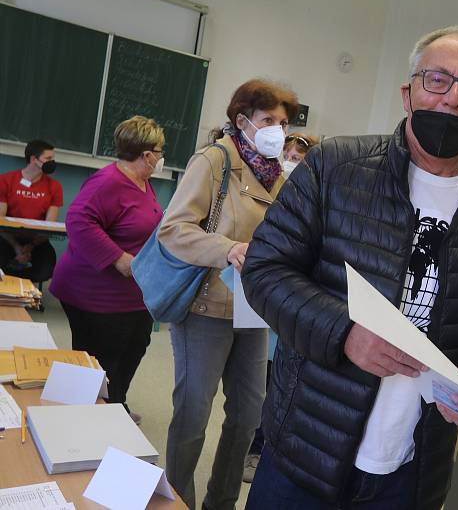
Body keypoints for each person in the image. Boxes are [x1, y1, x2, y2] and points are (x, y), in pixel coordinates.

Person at [242, 26, 458, 509]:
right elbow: (265, 268)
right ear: (408, 92)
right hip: (308, 444)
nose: (453, 98)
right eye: (437, 79)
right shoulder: (336, 166)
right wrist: (344, 332)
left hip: (413, 467)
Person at [160, 78, 298, 510]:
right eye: (268, 120)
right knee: (193, 415)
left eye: (284, 121)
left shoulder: (278, 175)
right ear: (242, 121)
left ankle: (220, 503)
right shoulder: (216, 160)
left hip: (254, 311)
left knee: (247, 416)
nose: (278, 128)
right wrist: (228, 249)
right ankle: (178, 500)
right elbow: (173, 229)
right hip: (206, 305)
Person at [49, 117, 165, 422]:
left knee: (135, 346)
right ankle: (92, 420)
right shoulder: (108, 181)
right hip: (94, 293)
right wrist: (119, 258)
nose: (161, 156)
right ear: (146, 154)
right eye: (159, 150)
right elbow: (78, 222)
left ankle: (115, 405)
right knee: (103, 358)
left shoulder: (143, 182)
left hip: (132, 294)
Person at [242, 129, 319, 484]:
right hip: (258, 306)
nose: (290, 162)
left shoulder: (315, 202)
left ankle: (261, 447)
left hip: (292, 311)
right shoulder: (263, 194)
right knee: (255, 381)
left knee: (280, 384)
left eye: (299, 159)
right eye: (286, 155)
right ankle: (249, 445)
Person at [0, 139, 63, 282]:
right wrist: (16, 246)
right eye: (48, 158)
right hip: (7, 238)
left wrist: (29, 247)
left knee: (46, 270)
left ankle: (17, 285)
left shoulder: (54, 187)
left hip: (37, 241)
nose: (52, 162)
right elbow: (0, 221)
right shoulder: (5, 180)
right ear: (34, 159)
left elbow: (49, 227)